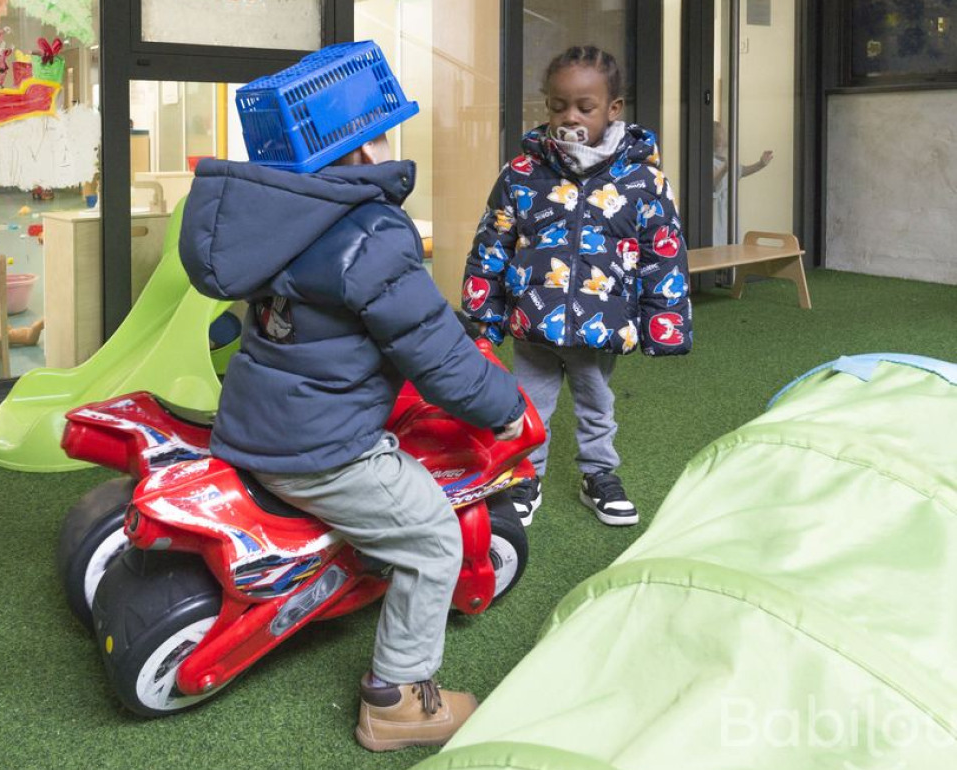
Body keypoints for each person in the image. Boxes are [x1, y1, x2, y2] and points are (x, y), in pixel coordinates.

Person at [179, 44, 525, 752]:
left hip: (252, 423)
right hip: (321, 449)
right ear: (366, 146)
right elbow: (436, 357)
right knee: (431, 538)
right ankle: (398, 699)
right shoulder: (371, 232)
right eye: (387, 128)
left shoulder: (275, 217)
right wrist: (505, 405)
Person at [462, 46, 692, 528]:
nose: (569, 117)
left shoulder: (643, 181)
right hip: (534, 317)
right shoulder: (522, 174)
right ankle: (524, 477)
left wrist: (662, 323)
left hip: (601, 320)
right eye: (557, 106)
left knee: (596, 404)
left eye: (584, 108)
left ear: (613, 109)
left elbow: (663, 253)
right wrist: (483, 313)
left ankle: (599, 474)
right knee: (528, 405)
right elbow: (492, 243)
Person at [712, 120, 773, 245]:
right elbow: (712, 183)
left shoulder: (726, 161)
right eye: (717, 143)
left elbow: (742, 171)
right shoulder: (709, 161)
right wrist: (724, 169)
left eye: (722, 142)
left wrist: (760, 164)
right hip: (715, 218)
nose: (720, 144)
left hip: (728, 216)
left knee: (731, 245)